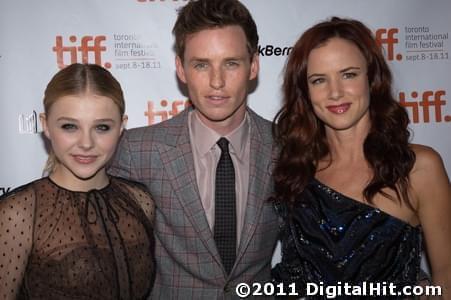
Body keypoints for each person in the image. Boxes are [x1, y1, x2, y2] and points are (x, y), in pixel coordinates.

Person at [108, 0, 279, 298]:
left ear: (253, 66)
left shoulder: (288, 148)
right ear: (181, 69)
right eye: (202, 64)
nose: (217, 82)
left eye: (231, 63)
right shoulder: (138, 151)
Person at [271, 17, 451, 299]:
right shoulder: (293, 168)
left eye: (349, 74)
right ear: (305, 93)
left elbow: (447, 280)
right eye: (319, 80)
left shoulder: (419, 168)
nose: (335, 92)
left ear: (373, 78)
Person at [0, 63, 155, 300]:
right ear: (46, 126)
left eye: (102, 127)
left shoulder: (140, 201)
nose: (86, 143)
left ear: (122, 127)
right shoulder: (18, 213)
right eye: (70, 126)